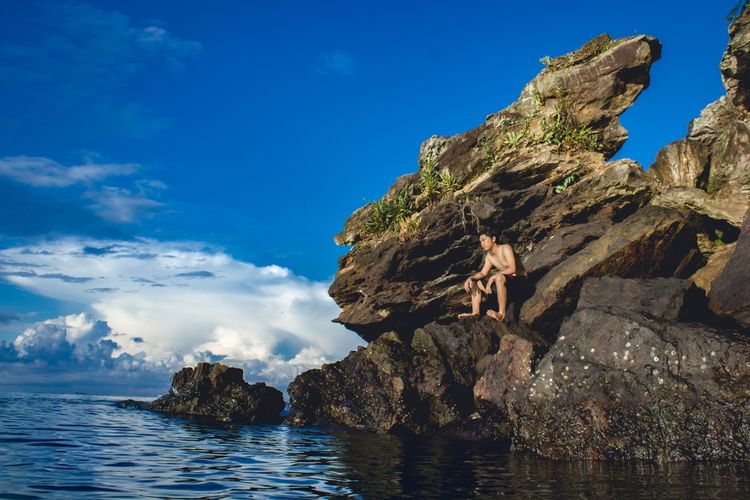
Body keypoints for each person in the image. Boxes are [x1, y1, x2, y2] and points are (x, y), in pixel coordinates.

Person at [458, 231, 522, 322]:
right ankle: (475, 313)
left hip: (519, 283)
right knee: (476, 282)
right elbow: (483, 273)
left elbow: (512, 269)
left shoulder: (505, 248)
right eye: (480, 242)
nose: (482, 244)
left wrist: (493, 276)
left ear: (493, 239)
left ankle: (501, 314)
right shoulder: (489, 256)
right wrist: (471, 278)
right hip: (506, 286)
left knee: (499, 278)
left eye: (484, 240)